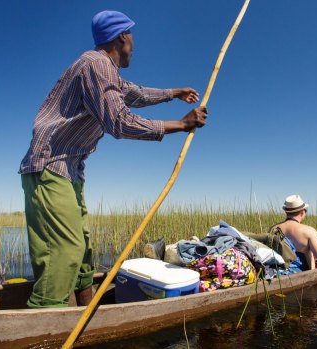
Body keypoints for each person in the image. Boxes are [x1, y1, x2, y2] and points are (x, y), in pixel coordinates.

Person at [18, 10, 208, 308]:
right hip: (50, 166)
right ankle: (44, 318)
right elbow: (119, 121)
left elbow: (138, 94)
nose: (134, 43)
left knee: (82, 253)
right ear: (122, 36)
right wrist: (181, 125)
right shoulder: (95, 65)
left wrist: (174, 93)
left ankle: (85, 312)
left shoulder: (107, 73)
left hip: (68, 171)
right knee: (64, 251)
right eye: (132, 36)